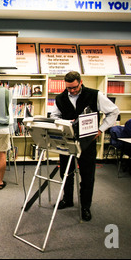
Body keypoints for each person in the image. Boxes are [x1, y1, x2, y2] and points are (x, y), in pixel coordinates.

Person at [50, 71, 119, 221]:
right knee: (66, 173)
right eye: (69, 88)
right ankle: (68, 199)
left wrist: (101, 129)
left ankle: (85, 206)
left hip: (88, 142)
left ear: (80, 82)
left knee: (87, 175)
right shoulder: (60, 98)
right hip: (67, 142)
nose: (72, 91)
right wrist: (64, 123)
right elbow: (54, 116)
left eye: (75, 87)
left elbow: (114, 112)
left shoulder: (95, 94)